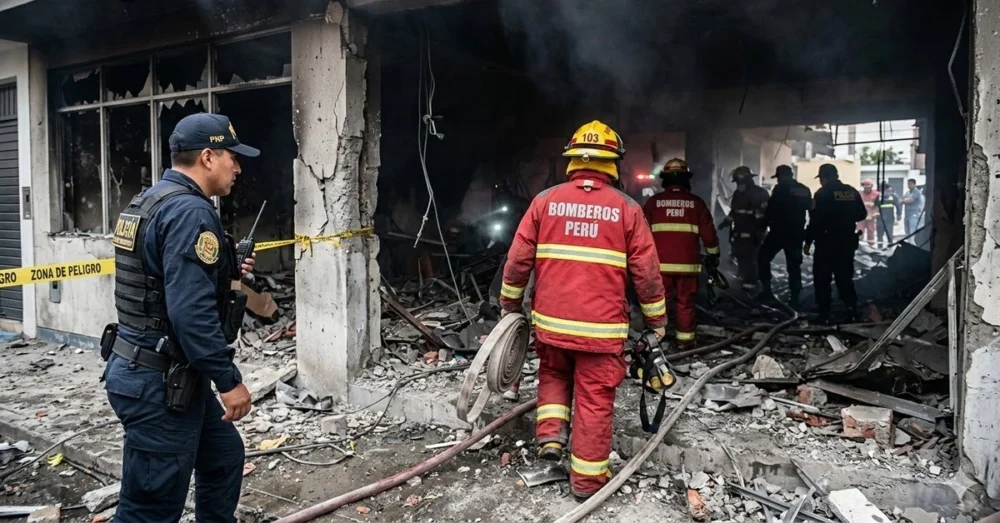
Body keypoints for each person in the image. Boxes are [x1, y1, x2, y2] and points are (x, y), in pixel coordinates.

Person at [104, 113, 260, 522]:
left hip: (153, 370)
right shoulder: (191, 212)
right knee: (149, 509)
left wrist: (224, 267)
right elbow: (190, 313)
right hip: (159, 383)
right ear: (208, 157)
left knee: (223, 455)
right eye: (232, 157)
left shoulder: (150, 201)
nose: (238, 168)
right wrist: (229, 381)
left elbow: (159, 276)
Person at [499, 120, 666, 499]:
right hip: (601, 332)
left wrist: (510, 306)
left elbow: (517, 261)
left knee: (554, 375)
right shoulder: (627, 209)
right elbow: (647, 274)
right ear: (613, 163)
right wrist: (656, 322)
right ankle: (587, 482)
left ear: (572, 160)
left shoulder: (544, 202)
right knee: (594, 400)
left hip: (551, 325)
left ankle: (551, 438)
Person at [642, 158, 719, 348]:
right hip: (688, 267)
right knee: (685, 303)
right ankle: (685, 341)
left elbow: (640, 234)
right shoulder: (696, 203)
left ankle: (656, 341)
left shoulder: (653, 203)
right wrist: (713, 254)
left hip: (660, 266)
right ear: (686, 180)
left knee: (659, 304)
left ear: (664, 180)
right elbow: (709, 234)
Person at [804, 164, 867, 325]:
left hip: (826, 243)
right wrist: (846, 217)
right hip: (846, 242)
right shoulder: (851, 191)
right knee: (845, 278)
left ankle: (824, 315)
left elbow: (815, 221)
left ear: (824, 178)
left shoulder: (822, 193)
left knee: (822, 279)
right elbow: (862, 214)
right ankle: (852, 311)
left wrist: (808, 241)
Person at [757, 165, 812, 308]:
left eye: (778, 177)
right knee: (794, 266)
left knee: (763, 258)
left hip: (778, 232)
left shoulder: (780, 189)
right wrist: (810, 232)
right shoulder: (804, 189)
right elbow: (811, 210)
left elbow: (771, 210)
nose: (778, 180)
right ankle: (795, 299)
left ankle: (767, 291)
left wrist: (762, 226)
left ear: (781, 176)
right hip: (796, 233)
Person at [719, 166, 769, 294]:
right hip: (740, 234)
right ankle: (743, 283)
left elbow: (765, 216)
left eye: (740, 182)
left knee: (752, 261)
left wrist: (760, 232)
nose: (738, 185)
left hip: (754, 235)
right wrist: (725, 223)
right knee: (741, 258)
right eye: (737, 183)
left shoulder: (760, 193)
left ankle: (751, 287)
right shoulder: (737, 194)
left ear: (747, 181)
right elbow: (734, 212)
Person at [877, 182, 901, 248]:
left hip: (889, 219)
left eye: (889, 191)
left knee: (889, 234)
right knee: (880, 235)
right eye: (887, 191)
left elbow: (898, 206)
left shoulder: (893, 196)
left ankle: (890, 248)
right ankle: (879, 248)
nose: (888, 192)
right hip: (880, 219)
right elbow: (874, 207)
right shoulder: (877, 197)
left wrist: (899, 214)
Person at [858, 179, 880, 246]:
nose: (867, 189)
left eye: (868, 187)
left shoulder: (876, 194)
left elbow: (877, 205)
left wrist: (875, 213)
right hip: (861, 216)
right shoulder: (859, 194)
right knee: (860, 231)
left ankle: (871, 246)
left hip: (871, 216)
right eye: (865, 187)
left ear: (871, 186)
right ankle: (859, 246)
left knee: (871, 231)